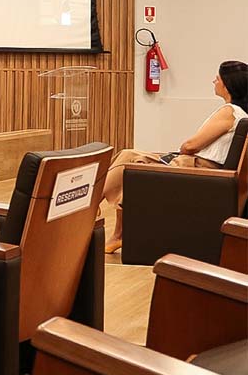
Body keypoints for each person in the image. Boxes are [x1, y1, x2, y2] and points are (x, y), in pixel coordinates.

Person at [102, 60, 248, 253]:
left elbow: (190, 146)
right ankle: (110, 224)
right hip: (199, 167)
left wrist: (178, 153)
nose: (214, 81)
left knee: (130, 166)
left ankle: (98, 214)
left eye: (217, 78)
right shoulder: (240, 112)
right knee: (129, 155)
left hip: (197, 168)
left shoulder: (230, 112)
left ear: (228, 84)